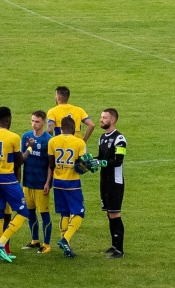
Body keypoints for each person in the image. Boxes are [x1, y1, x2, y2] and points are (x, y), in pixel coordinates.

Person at [0, 107, 31, 263]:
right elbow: (19, 161)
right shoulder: (13, 137)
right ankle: (0, 243)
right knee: (23, 212)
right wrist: (29, 148)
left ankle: (0, 249)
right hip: (7, 179)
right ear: (8, 119)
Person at [47, 115, 89, 258]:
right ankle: (65, 239)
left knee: (64, 213)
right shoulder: (79, 142)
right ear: (73, 128)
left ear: (60, 127)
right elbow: (83, 164)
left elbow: (51, 164)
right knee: (79, 212)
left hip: (57, 182)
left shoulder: (52, 141)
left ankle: (66, 248)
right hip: (72, 183)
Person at [20, 108, 53, 254]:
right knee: (30, 213)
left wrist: (47, 183)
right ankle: (35, 240)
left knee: (44, 214)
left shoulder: (48, 140)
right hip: (28, 182)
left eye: (37, 122)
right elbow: (21, 158)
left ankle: (46, 244)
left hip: (41, 184)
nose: (34, 124)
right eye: (32, 121)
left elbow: (51, 165)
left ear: (44, 122)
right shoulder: (26, 136)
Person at [97, 107, 127, 258]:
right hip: (104, 182)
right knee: (109, 214)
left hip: (115, 182)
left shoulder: (119, 139)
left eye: (104, 118)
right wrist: (89, 162)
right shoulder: (102, 138)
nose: (101, 120)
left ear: (112, 120)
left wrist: (100, 163)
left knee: (115, 214)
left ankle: (119, 250)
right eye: (101, 117)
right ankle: (114, 245)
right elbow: (100, 157)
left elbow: (118, 161)